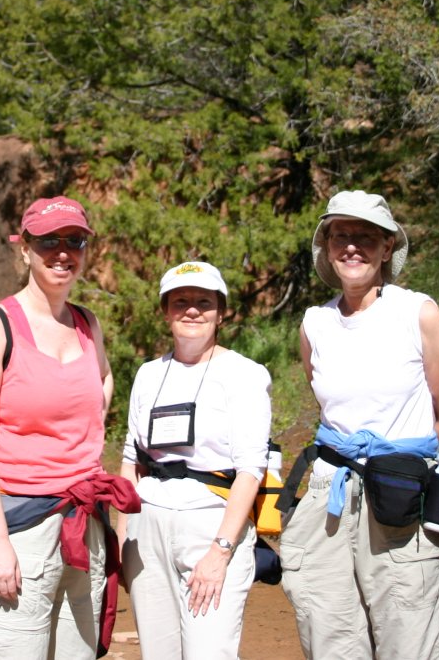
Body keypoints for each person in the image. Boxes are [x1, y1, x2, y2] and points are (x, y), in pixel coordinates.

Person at [0, 195, 137, 659]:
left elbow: (103, 377)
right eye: (49, 241)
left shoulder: (88, 324)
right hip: (18, 528)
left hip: (83, 525)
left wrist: (82, 429)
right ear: (24, 249)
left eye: (74, 240)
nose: (63, 252)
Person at [279, 190, 439, 660]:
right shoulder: (314, 324)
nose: (352, 246)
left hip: (399, 492)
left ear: (386, 248)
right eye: (341, 235)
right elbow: (327, 403)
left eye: (365, 235)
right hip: (330, 492)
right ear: (327, 246)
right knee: (328, 628)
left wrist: (401, 467)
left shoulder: (417, 313)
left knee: (409, 626)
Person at [119, 261, 272, 660]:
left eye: (204, 302)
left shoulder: (244, 375)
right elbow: (131, 461)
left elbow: (250, 471)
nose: (191, 310)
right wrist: (123, 540)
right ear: (165, 311)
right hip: (148, 529)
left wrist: (220, 551)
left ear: (221, 313)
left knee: (209, 652)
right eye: (180, 301)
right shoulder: (149, 374)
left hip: (210, 526)